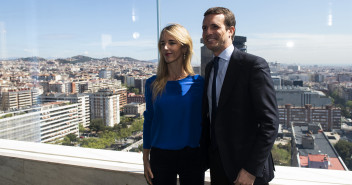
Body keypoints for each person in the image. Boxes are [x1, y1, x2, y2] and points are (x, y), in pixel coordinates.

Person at [200, 7, 279, 185]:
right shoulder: (210, 67)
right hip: (218, 167)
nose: (208, 32)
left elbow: (270, 123)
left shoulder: (253, 66)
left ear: (231, 30)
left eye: (214, 27)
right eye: (204, 28)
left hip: (247, 171)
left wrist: (251, 170)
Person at [143, 24, 204, 185]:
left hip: (192, 155)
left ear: (184, 48)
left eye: (172, 42)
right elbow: (149, 120)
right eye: (162, 43)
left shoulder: (199, 83)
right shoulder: (152, 84)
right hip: (160, 156)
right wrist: (145, 158)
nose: (166, 47)